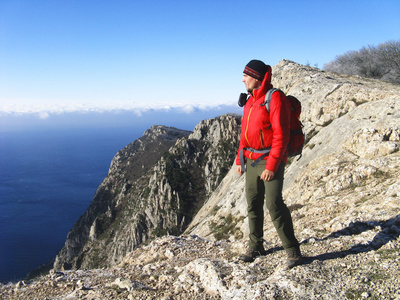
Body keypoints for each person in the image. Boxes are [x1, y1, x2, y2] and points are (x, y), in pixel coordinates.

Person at [236, 59, 302, 268]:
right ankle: (256, 246)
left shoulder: (275, 98)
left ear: (256, 78)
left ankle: (293, 251)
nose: (243, 79)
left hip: (269, 159)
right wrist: (240, 159)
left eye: (246, 75)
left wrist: (272, 166)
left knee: (274, 204)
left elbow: (281, 135)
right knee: (253, 204)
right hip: (251, 160)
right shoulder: (250, 101)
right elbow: (244, 135)